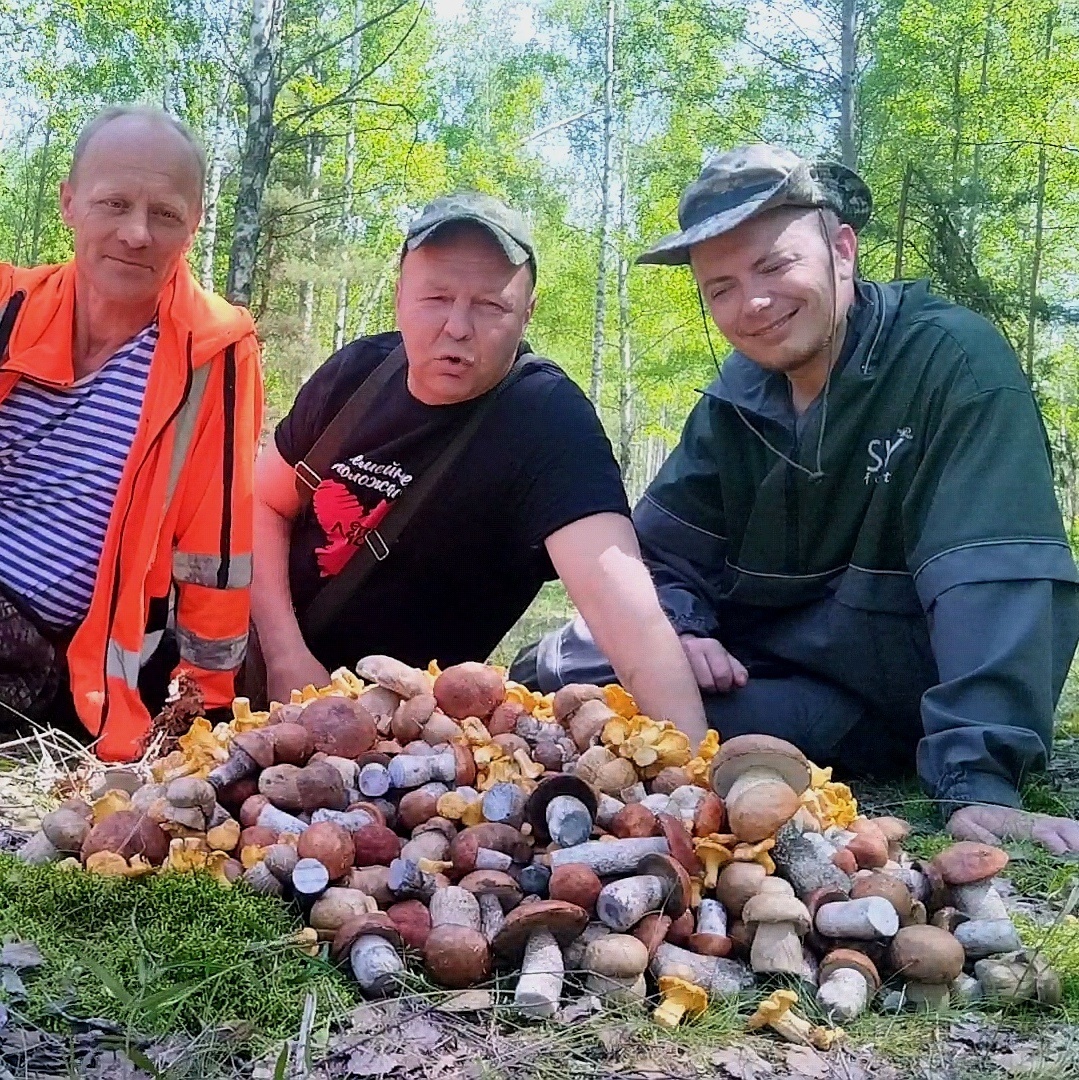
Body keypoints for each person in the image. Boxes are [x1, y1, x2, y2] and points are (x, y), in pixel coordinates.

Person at [520, 145, 1079, 854]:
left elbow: (994, 575)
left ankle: (951, 755)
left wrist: (978, 781)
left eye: (774, 266)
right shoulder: (734, 398)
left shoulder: (951, 362)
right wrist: (685, 629)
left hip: (885, 692)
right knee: (559, 675)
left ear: (841, 250)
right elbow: (659, 558)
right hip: (768, 666)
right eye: (720, 287)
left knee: (623, 711)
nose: (751, 304)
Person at [251, 192, 706, 738]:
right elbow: (263, 503)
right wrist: (285, 657)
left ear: (527, 313)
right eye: (436, 297)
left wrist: (691, 759)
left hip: (404, 737)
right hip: (251, 666)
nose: (457, 327)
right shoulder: (355, 375)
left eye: (491, 305)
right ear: (399, 295)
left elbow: (630, 620)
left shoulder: (546, 422)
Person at [0, 106, 263, 762]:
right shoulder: (8, 306)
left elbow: (216, 549)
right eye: (114, 203)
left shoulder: (212, 355)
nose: (137, 233)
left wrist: (199, 716)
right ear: (69, 203)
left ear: (194, 225)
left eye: (165, 214)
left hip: (47, 651)